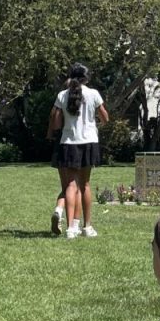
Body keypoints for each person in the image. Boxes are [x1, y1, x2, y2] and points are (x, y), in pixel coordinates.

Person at [48, 64, 109, 239]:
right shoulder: (93, 94)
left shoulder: (62, 95)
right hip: (89, 141)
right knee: (85, 184)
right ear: (86, 78)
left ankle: (70, 229)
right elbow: (105, 118)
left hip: (68, 142)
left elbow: (57, 122)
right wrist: (94, 124)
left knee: (71, 185)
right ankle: (87, 227)